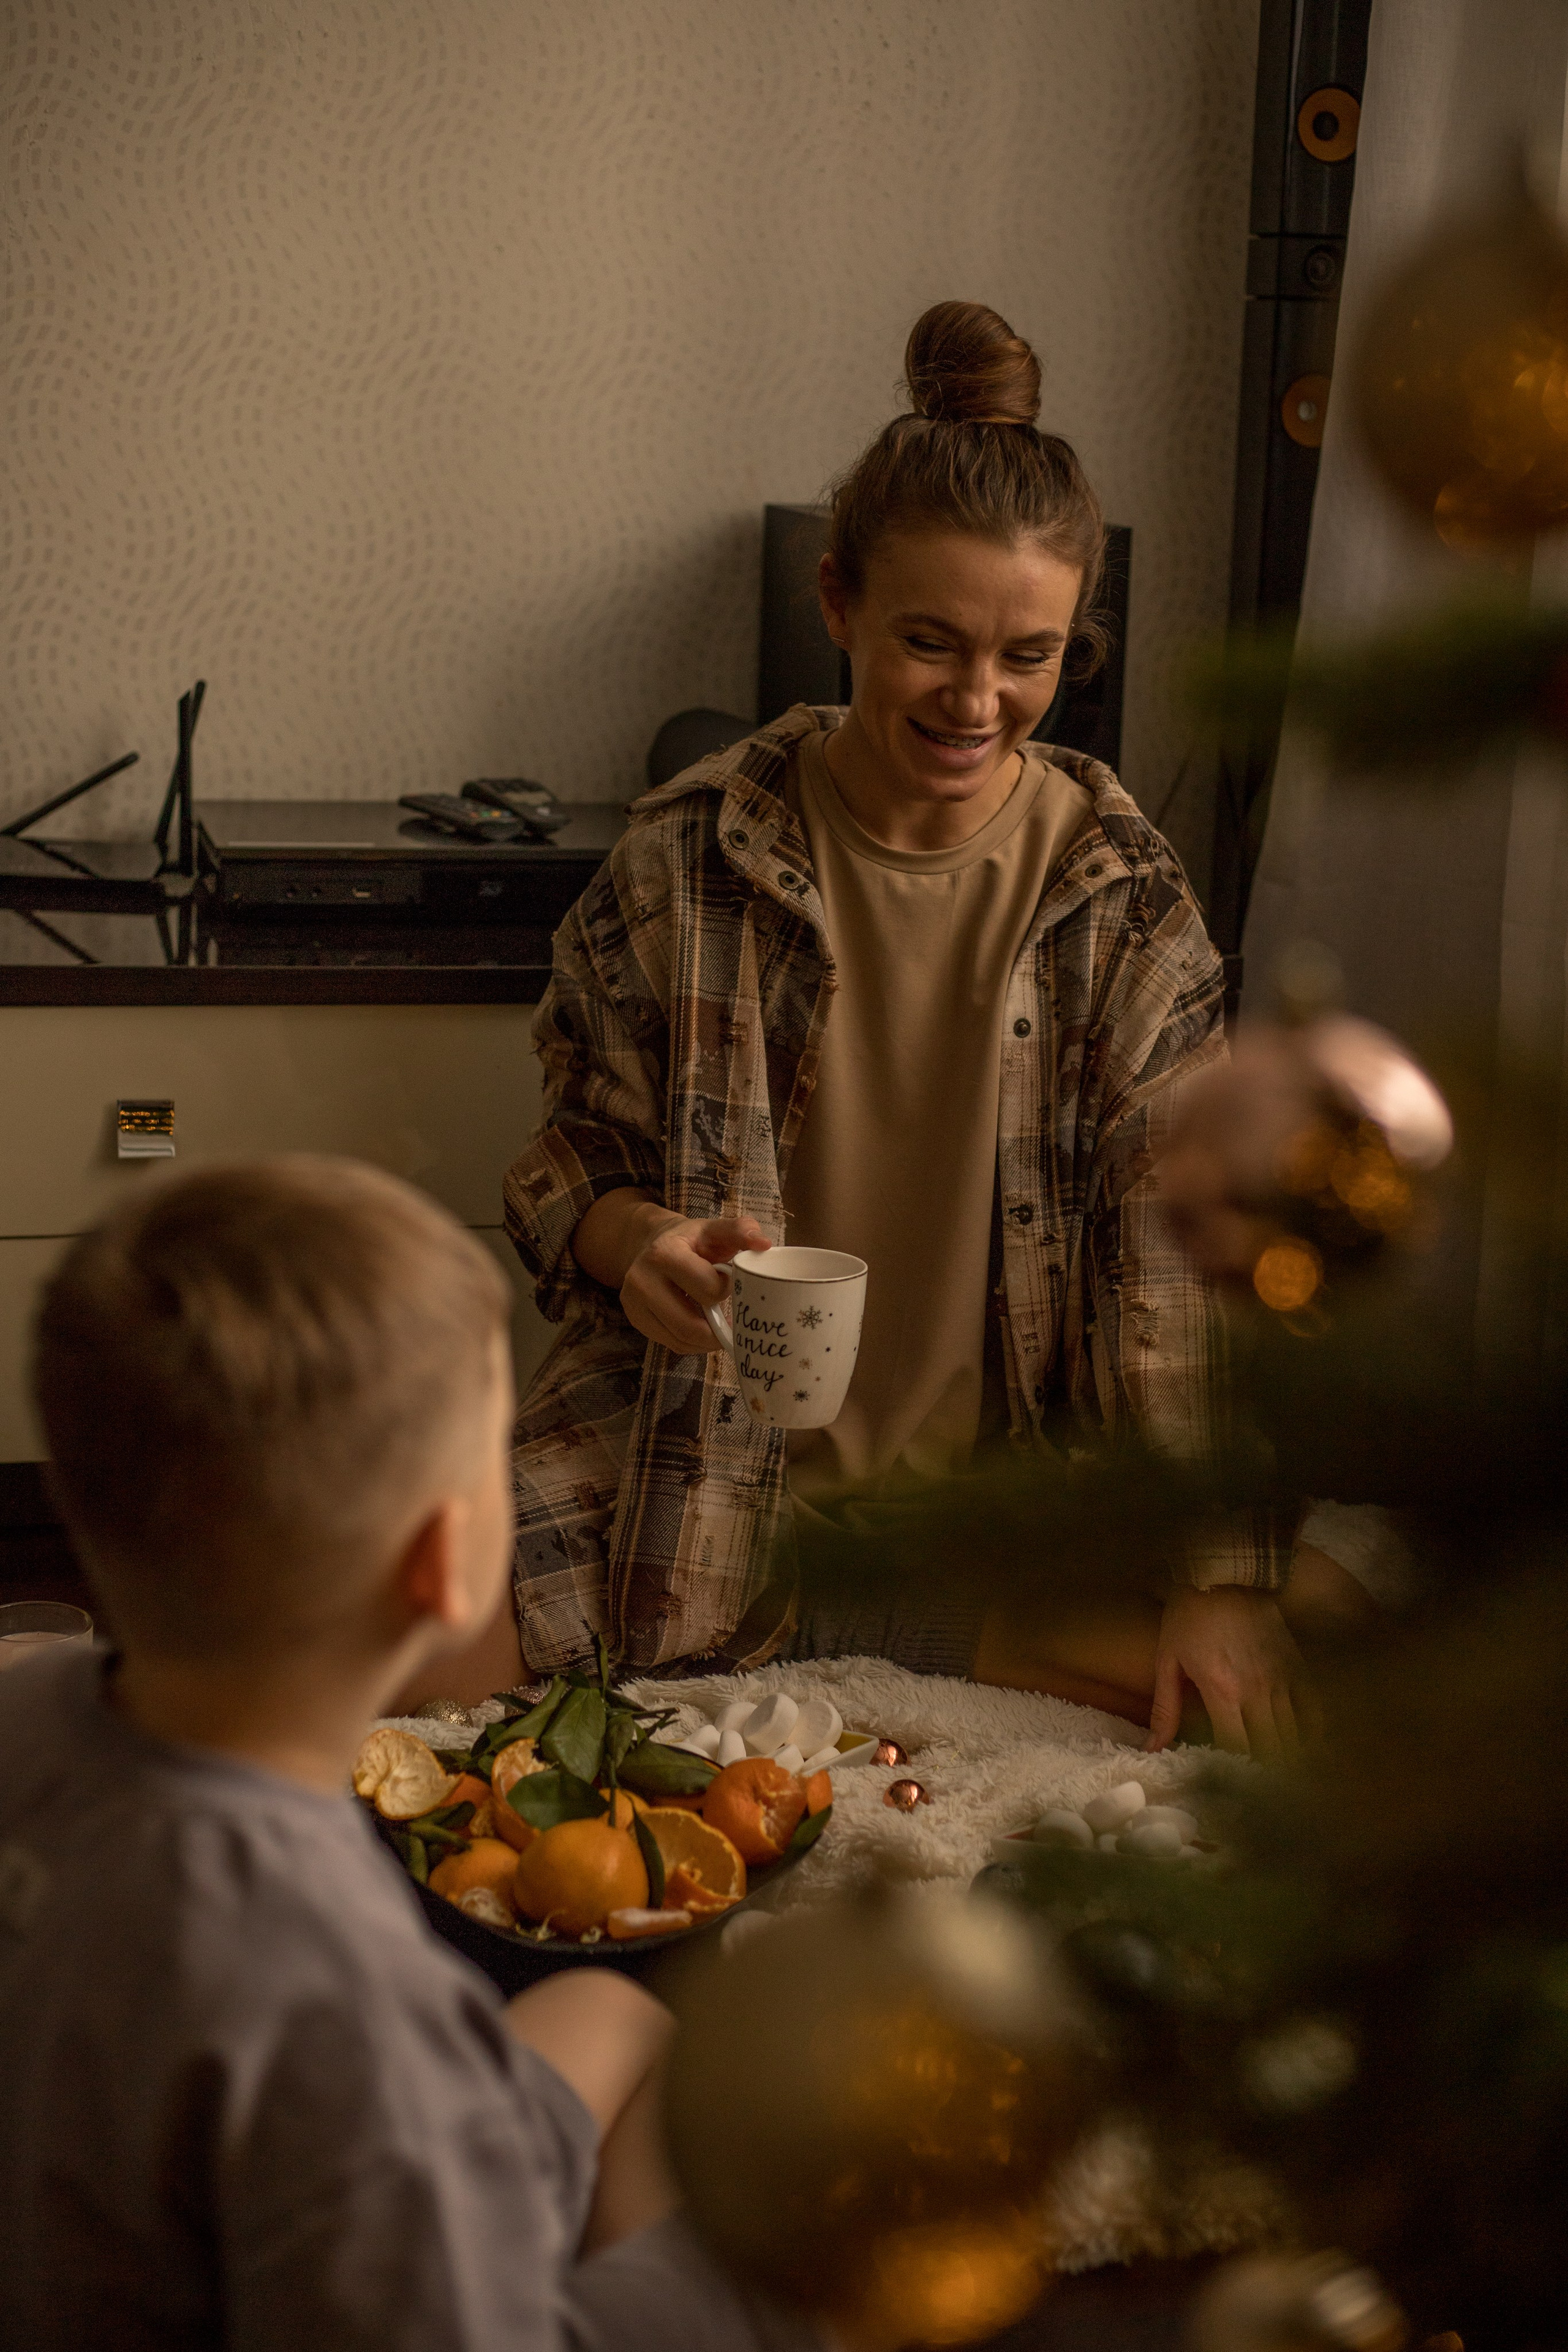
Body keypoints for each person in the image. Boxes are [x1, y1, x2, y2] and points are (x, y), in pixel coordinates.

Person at [462, 300, 1355, 1757]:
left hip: (1008, 1480)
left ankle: (901, 1612)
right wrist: (630, 1245)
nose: (976, 700)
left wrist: (1215, 1578)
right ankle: (872, 1619)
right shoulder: (684, 852)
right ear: (835, 604)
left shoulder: (1119, 896)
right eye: (928, 643)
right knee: (405, 1631)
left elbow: (1184, 1265)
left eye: (1030, 657)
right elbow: (566, 1160)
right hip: (695, 1464)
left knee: (1305, 1649)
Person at [0, 1157, 816, 2352]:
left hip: (163, 2200)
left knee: (611, 2007)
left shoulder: (38, 1718)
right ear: (442, 1563)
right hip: (388, 2261)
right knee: (795, 2225)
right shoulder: (339, 2003)